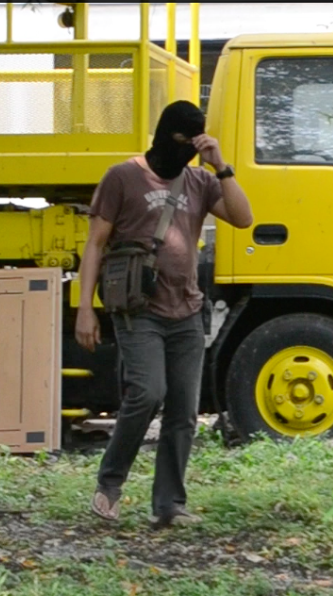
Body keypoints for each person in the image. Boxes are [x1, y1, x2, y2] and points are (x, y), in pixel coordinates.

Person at [75, 100, 253, 527]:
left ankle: (169, 505)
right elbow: (95, 244)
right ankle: (109, 485)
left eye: (194, 142)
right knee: (148, 392)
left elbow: (244, 218)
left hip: (187, 309)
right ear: (163, 135)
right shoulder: (122, 177)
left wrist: (220, 166)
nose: (186, 150)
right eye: (181, 140)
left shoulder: (199, 180)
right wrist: (85, 309)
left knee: (183, 412)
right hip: (138, 309)